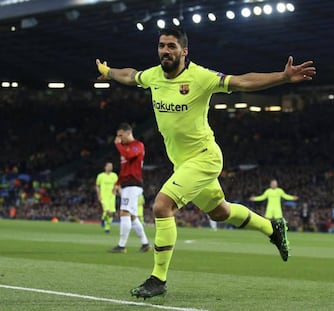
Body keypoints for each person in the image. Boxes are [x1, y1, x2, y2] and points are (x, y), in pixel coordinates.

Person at [96, 27, 315, 299]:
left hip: (205, 157)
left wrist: (282, 77)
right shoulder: (153, 76)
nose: (166, 50)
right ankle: (272, 228)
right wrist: (108, 72)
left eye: (172, 46)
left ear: (184, 51)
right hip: (183, 163)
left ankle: (158, 279)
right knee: (220, 212)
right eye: (162, 45)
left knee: (162, 205)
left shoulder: (200, 77)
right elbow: (129, 75)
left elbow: (242, 82)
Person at [109, 123, 151, 254]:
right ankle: (145, 244)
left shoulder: (137, 146)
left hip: (133, 184)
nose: (119, 139)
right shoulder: (126, 149)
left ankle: (121, 246)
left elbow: (128, 157)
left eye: (120, 136)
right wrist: (117, 183)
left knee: (124, 212)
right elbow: (124, 170)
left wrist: (117, 145)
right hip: (127, 184)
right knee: (132, 216)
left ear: (128, 133)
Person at [95, 161, 118, 233]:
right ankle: (104, 221)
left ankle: (106, 226)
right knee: (108, 211)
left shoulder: (114, 175)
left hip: (112, 197)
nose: (110, 167)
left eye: (111, 166)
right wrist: (98, 195)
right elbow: (97, 186)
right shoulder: (100, 176)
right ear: (105, 167)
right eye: (109, 166)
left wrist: (116, 190)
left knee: (112, 213)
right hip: (104, 196)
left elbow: (117, 184)